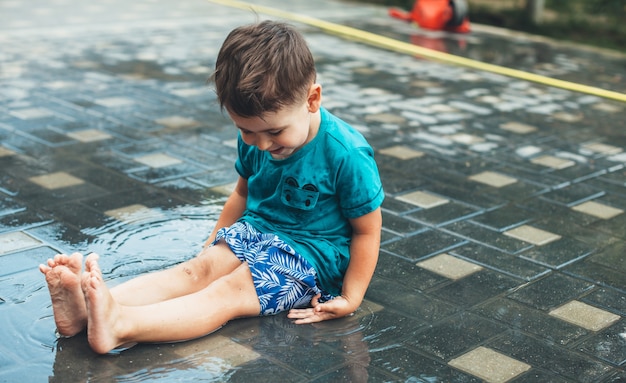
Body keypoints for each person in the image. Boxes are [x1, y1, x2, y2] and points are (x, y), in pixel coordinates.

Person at [39, 20, 384, 355]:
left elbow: (367, 231)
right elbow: (242, 194)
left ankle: (120, 326)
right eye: (247, 131)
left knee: (227, 293)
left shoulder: (346, 154)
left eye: (275, 133)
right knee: (195, 271)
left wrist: (351, 297)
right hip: (257, 229)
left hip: (312, 254)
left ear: (312, 100)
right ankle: (86, 311)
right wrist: (214, 241)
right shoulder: (257, 135)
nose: (260, 145)